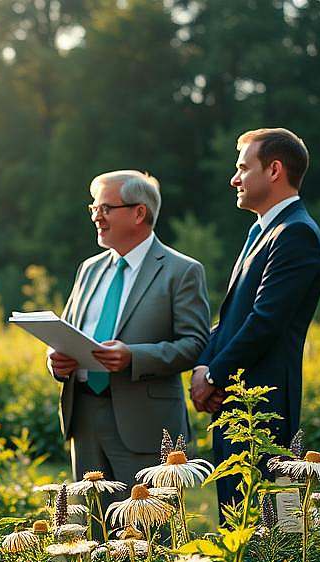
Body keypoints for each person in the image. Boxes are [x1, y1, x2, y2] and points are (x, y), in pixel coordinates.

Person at [48, 171, 210, 506]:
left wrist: (133, 356)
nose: (96, 215)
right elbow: (67, 331)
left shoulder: (181, 271)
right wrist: (55, 359)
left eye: (106, 208)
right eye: (93, 207)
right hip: (84, 419)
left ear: (139, 213)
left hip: (146, 427)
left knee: (148, 536)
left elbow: (195, 344)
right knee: (95, 535)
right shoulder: (89, 269)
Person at [190, 128, 320, 512]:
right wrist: (203, 364)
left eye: (242, 168)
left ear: (274, 170)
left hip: (263, 410)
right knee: (236, 521)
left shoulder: (296, 233)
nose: (234, 179)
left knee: (266, 533)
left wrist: (214, 377)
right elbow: (233, 318)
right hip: (234, 404)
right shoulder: (260, 232)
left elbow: (265, 322)